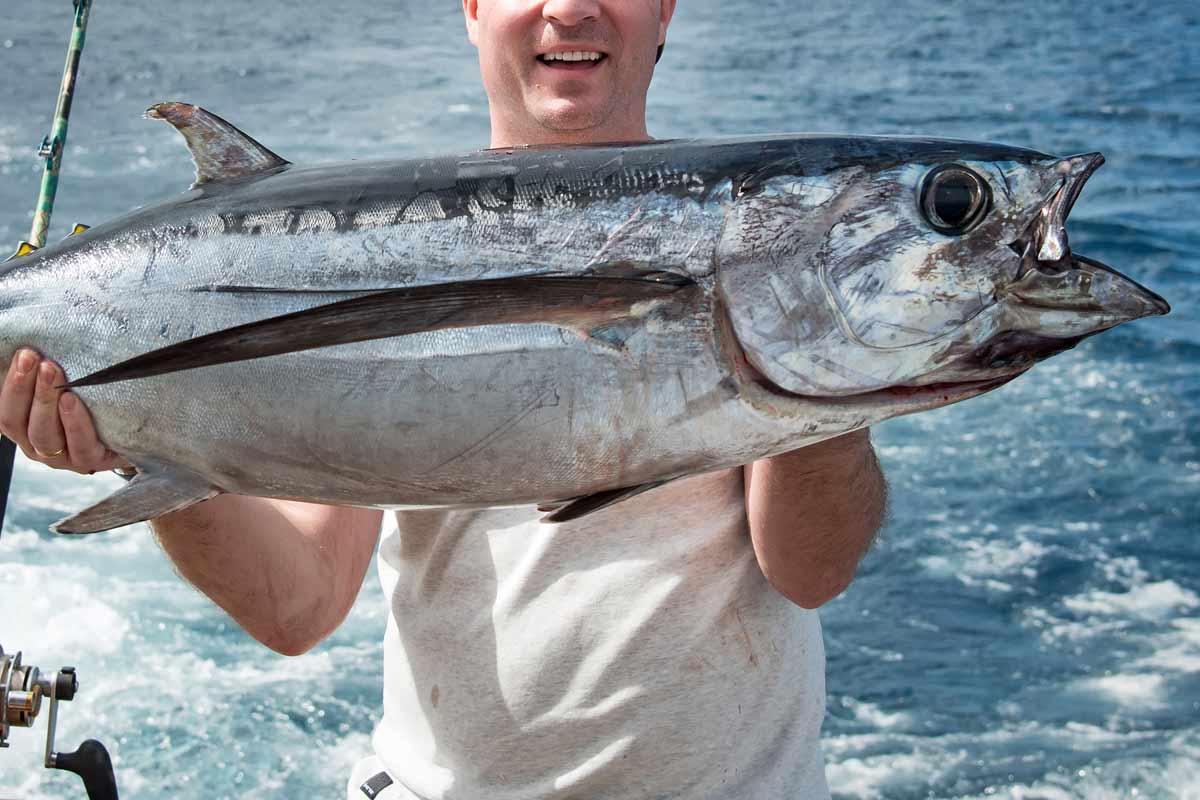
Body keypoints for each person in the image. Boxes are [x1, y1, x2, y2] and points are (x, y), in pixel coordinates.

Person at [0, 1, 886, 797]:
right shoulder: (358, 242)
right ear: (473, 8)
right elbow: (294, 605)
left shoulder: (748, 231)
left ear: (664, 11)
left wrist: (823, 365)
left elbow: (809, 571)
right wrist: (143, 446)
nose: (571, 9)